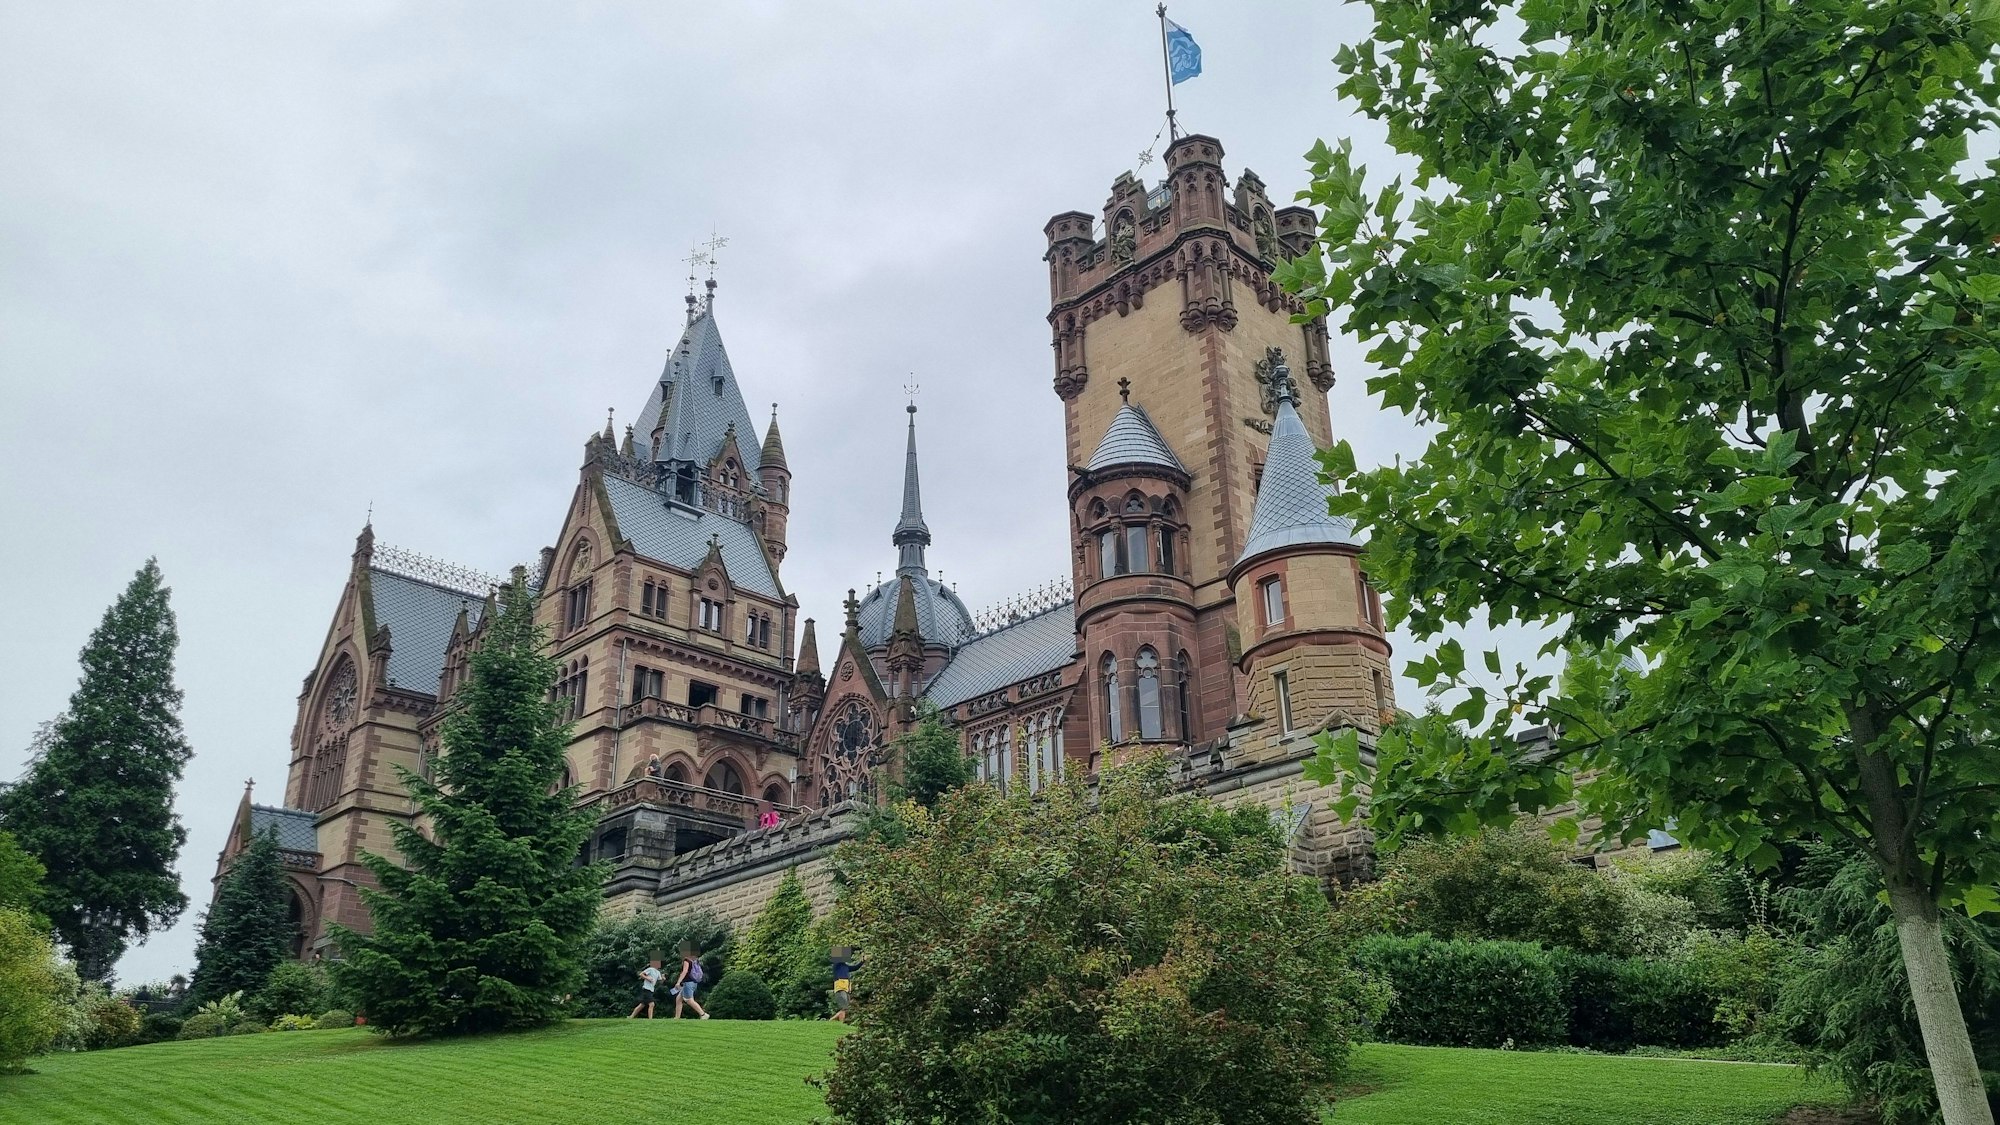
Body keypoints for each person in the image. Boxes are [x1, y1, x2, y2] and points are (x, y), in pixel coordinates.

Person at [672, 943, 710, 1020]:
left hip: (688, 983)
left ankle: (703, 1014)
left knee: (689, 1000)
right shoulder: (695, 960)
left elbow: (684, 971)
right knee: (679, 999)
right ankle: (677, 1017)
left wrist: (678, 982)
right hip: (693, 982)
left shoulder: (687, 960)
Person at [829, 945, 862, 1023]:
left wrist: (862, 961)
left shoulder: (845, 966)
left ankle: (831, 1020)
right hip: (840, 988)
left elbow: (855, 967)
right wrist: (851, 949)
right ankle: (840, 1023)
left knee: (846, 1008)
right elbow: (838, 956)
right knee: (845, 1008)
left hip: (846, 988)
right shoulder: (837, 965)